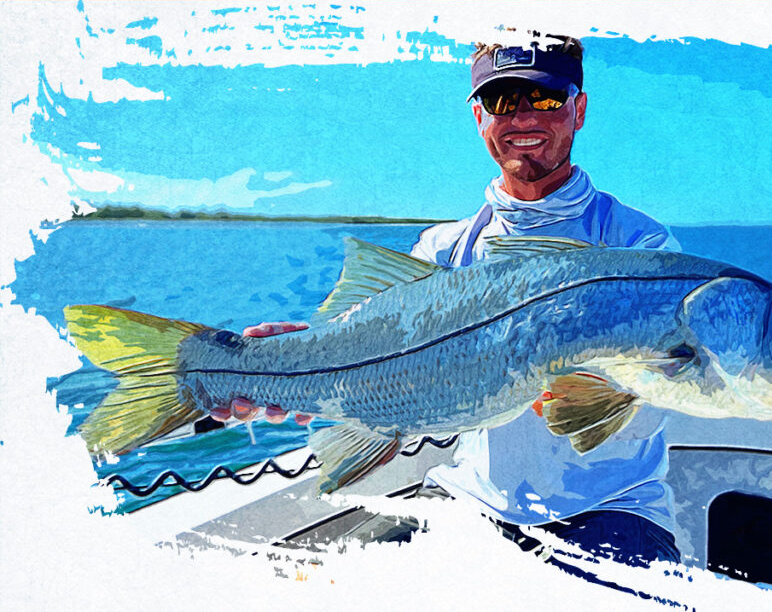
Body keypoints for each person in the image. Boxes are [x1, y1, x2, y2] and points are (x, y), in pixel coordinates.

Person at [232, 35, 683, 576]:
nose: (522, 117)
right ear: (479, 117)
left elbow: (653, 409)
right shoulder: (442, 250)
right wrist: (301, 359)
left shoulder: (641, 248)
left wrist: (575, 387)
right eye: (501, 100)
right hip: (471, 499)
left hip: (610, 508)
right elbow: (380, 355)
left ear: (579, 109)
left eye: (544, 98)